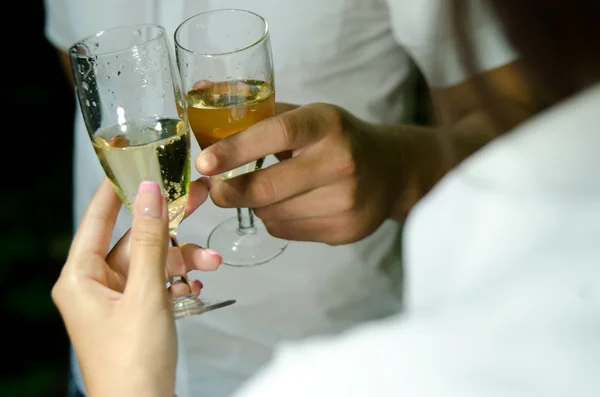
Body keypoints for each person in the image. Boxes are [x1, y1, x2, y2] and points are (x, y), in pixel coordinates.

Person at [52, 0, 600, 395]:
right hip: (99, 350)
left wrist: (405, 168)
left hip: (356, 367)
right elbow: (96, 90)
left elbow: (551, 126)